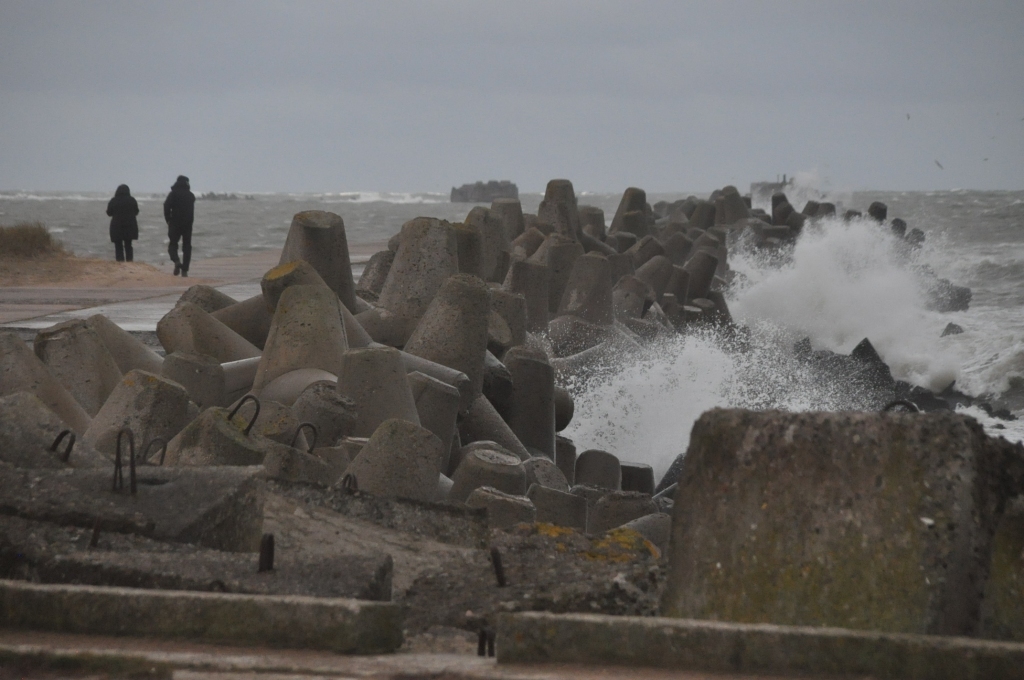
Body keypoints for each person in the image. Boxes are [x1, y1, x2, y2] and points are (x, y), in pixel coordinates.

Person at [163, 174, 195, 276]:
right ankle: (185, 270)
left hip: (175, 223)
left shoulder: (173, 194)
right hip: (188, 224)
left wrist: (168, 219)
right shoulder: (191, 195)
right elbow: (191, 211)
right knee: (187, 246)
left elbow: (166, 206)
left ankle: (176, 261)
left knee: (173, 244)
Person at [106, 184, 139, 262]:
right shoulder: (132, 200)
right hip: (130, 226)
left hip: (116, 226)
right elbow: (136, 211)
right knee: (128, 245)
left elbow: (109, 213)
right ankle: (129, 261)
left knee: (118, 245)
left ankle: (120, 262)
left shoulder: (113, 200)